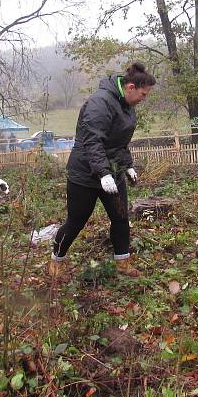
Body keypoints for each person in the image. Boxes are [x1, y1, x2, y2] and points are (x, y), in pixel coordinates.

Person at [48, 62, 156, 280]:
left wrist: (127, 166)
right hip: (85, 175)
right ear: (131, 87)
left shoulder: (127, 106)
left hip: (113, 173)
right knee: (76, 221)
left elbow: (120, 142)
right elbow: (92, 140)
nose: (144, 99)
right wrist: (103, 173)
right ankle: (55, 262)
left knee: (120, 218)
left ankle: (122, 263)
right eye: (143, 94)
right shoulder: (100, 102)